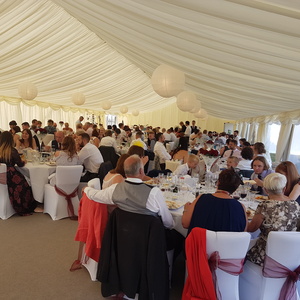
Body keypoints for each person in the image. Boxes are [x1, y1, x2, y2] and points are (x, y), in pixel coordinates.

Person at [70, 153, 129, 272]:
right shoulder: (119, 179)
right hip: (109, 213)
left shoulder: (110, 173)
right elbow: (118, 201)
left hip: (99, 209)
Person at [84, 154, 174, 229]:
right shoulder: (154, 193)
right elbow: (168, 223)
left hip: (122, 234)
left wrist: (86, 189)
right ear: (141, 171)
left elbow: (95, 195)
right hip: (149, 239)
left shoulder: (115, 189)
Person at [247, 173, 300, 266]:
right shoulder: (295, 204)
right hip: (290, 254)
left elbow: (251, 229)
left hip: (266, 255)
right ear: (284, 189)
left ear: (266, 190)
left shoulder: (265, 205)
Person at [182, 168, 247, 233]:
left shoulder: (201, 198)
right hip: (226, 243)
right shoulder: (241, 207)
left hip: (199, 242)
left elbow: (185, 224)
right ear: (236, 188)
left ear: (218, 182)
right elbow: (243, 232)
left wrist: (186, 209)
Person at [0, 131, 37, 215]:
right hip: (10, 175)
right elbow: (20, 164)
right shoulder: (12, 151)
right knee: (26, 184)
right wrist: (24, 161)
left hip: (1, 176)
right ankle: (27, 205)